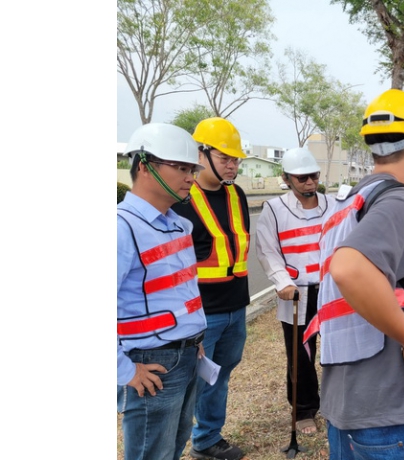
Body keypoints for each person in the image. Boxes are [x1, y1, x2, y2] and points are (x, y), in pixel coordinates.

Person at [305, 89, 404, 460]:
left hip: (347, 403)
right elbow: (351, 270)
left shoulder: (349, 202)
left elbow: (366, 275)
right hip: (390, 407)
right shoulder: (399, 198)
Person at [118, 123, 208, 460]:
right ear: (143, 165)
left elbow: (178, 290)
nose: (190, 177)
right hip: (150, 364)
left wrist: (192, 338)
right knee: (150, 452)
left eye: (192, 169)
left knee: (171, 447)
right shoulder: (121, 228)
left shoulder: (176, 224)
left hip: (183, 356)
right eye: (181, 168)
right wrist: (125, 372)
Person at [170, 117, 250, 460]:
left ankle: (207, 440)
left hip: (236, 305)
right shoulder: (182, 200)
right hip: (202, 313)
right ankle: (174, 446)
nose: (231, 165)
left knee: (220, 377)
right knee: (191, 384)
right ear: (201, 155)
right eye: (224, 158)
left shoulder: (237, 194)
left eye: (235, 160)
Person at [254, 147, 328, 434]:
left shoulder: (332, 205)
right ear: (286, 178)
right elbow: (268, 251)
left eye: (313, 176)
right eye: (302, 178)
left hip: (332, 290)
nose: (309, 182)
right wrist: (282, 281)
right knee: (301, 354)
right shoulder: (274, 209)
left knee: (338, 350)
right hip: (296, 293)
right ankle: (304, 410)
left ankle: (336, 402)